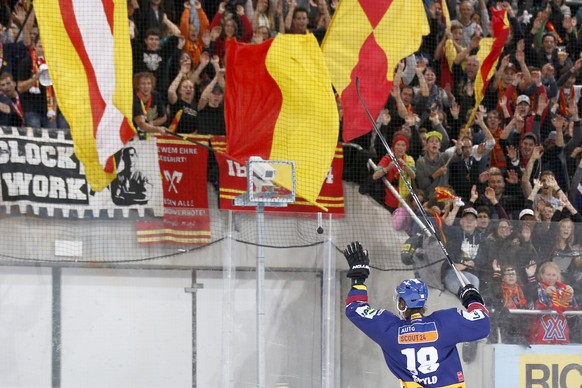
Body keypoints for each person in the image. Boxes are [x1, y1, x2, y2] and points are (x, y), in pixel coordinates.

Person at [343, 241, 490, 388]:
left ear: (401, 304)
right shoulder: (445, 323)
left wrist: (358, 278)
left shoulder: (390, 330)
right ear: (424, 303)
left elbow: (354, 308)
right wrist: (472, 298)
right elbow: (483, 323)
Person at [528, 261, 579, 345]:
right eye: (548, 275)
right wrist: (544, 294)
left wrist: (570, 297)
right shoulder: (537, 288)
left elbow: (571, 314)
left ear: (557, 276)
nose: (551, 278)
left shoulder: (563, 289)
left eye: (553, 275)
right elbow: (535, 306)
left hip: (561, 332)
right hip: (541, 331)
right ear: (542, 275)